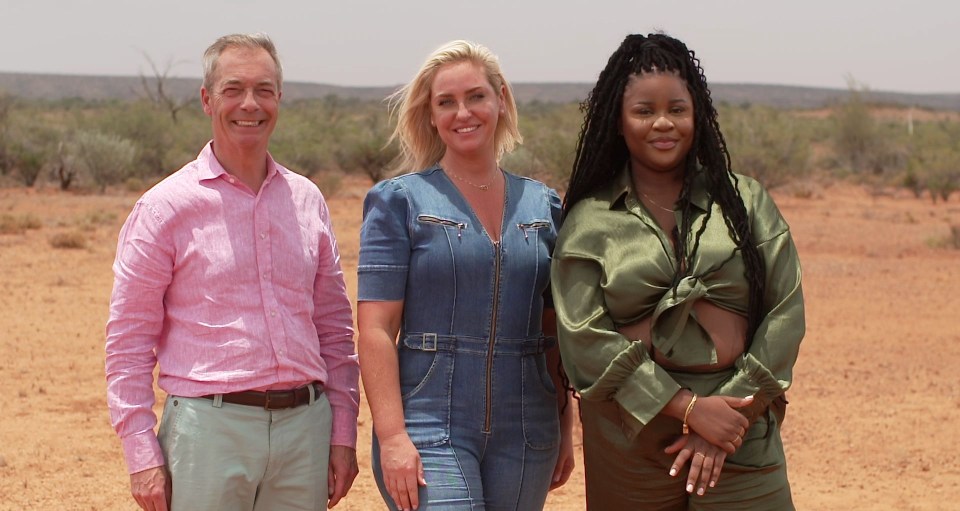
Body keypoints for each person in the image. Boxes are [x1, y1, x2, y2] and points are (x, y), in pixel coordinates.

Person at [105, 33, 360, 511]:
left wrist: (342, 433)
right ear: (207, 100)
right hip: (207, 432)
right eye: (233, 89)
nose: (250, 104)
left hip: (305, 432)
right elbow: (129, 341)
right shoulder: (164, 208)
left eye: (264, 89)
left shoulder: (307, 200)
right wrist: (141, 455)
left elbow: (335, 331)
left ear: (279, 98)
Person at [551, 33, 805, 510]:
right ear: (618, 122)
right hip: (630, 437)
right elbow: (583, 339)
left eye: (677, 109)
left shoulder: (745, 202)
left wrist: (727, 420)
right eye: (644, 111)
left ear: (698, 115)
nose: (663, 123)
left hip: (740, 427)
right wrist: (689, 408)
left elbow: (785, 313)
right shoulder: (590, 221)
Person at [357, 40, 575, 511]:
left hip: (528, 423)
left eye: (476, 96)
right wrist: (392, 437)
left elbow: (553, 326)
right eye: (446, 102)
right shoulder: (399, 202)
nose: (463, 112)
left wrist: (565, 423)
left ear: (500, 100)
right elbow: (375, 329)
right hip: (428, 421)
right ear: (431, 116)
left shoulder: (545, 206)